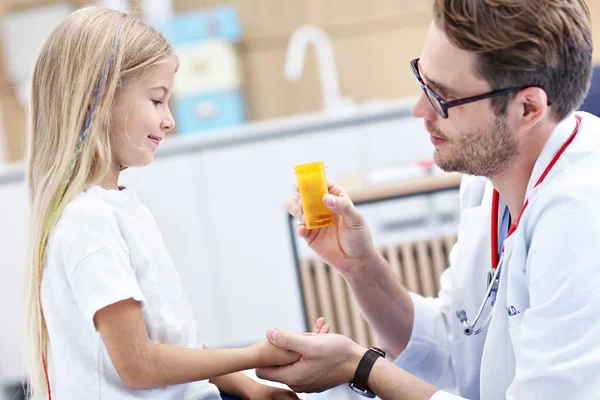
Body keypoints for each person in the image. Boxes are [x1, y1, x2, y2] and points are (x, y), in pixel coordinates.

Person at [256, 1, 600, 399]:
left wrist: (361, 367)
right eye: (423, 81)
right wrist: (360, 267)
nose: (419, 109)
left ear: (527, 108)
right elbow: (452, 351)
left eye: (443, 98)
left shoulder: (581, 216)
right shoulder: (489, 182)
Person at [23, 7, 328, 400]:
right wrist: (254, 355)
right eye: (156, 101)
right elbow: (139, 365)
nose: (169, 120)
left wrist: (252, 388)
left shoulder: (118, 207)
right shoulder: (88, 222)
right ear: (95, 101)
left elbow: (169, 340)